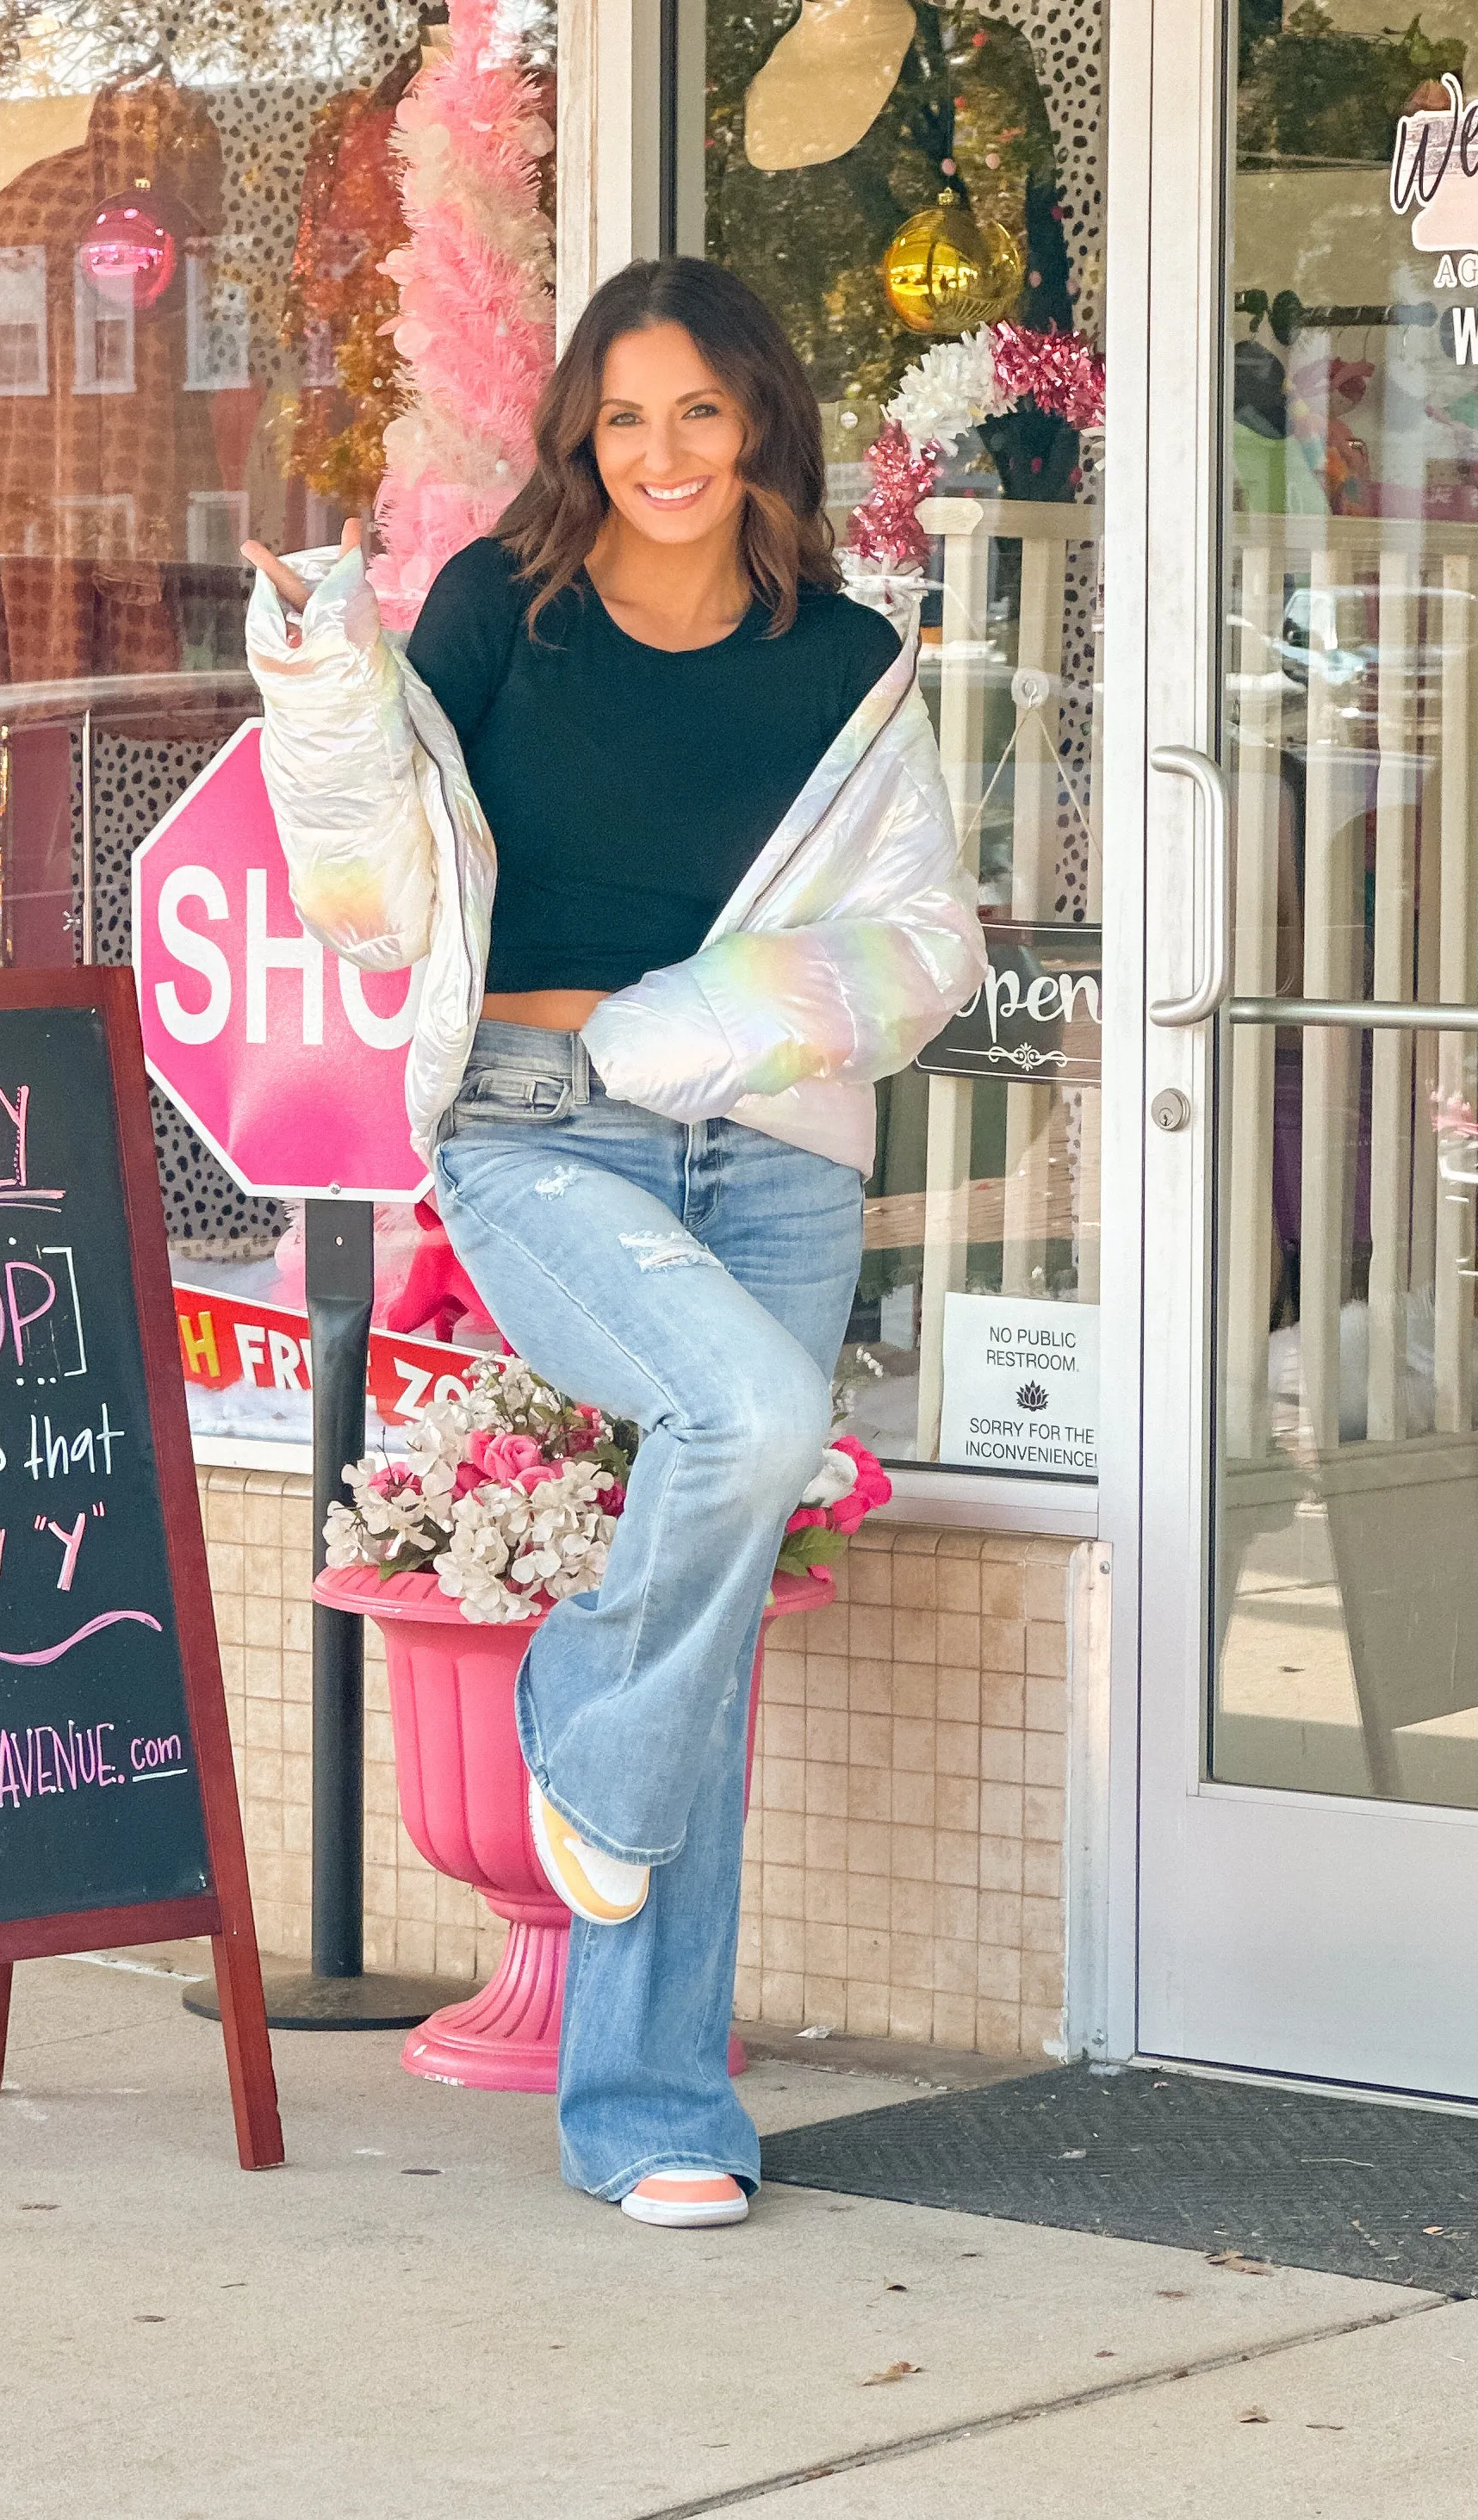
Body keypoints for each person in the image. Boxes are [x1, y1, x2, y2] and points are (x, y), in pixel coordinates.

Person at [243, 256, 982, 2231]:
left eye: (700, 415)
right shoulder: (507, 609)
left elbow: (919, 941)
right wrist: (325, 680)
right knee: (746, 1418)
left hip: (772, 1155)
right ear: (586, 434)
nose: (660, 454)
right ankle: (581, 1724)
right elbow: (374, 892)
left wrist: (705, 1024)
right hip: (529, 1131)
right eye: (624, 418)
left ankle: (655, 2110)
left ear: (759, 434)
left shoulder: (848, 660)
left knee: (713, 1636)